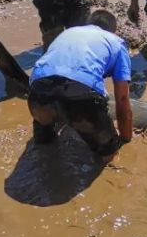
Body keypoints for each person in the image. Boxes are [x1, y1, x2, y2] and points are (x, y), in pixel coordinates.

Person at [27, 10, 133, 157]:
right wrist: (125, 139)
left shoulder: (68, 33)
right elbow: (122, 99)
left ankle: (44, 141)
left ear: (88, 24)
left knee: (44, 148)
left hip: (38, 92)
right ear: (112, 30)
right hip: (79, 97)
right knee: (109, 154)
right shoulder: (117, 43)